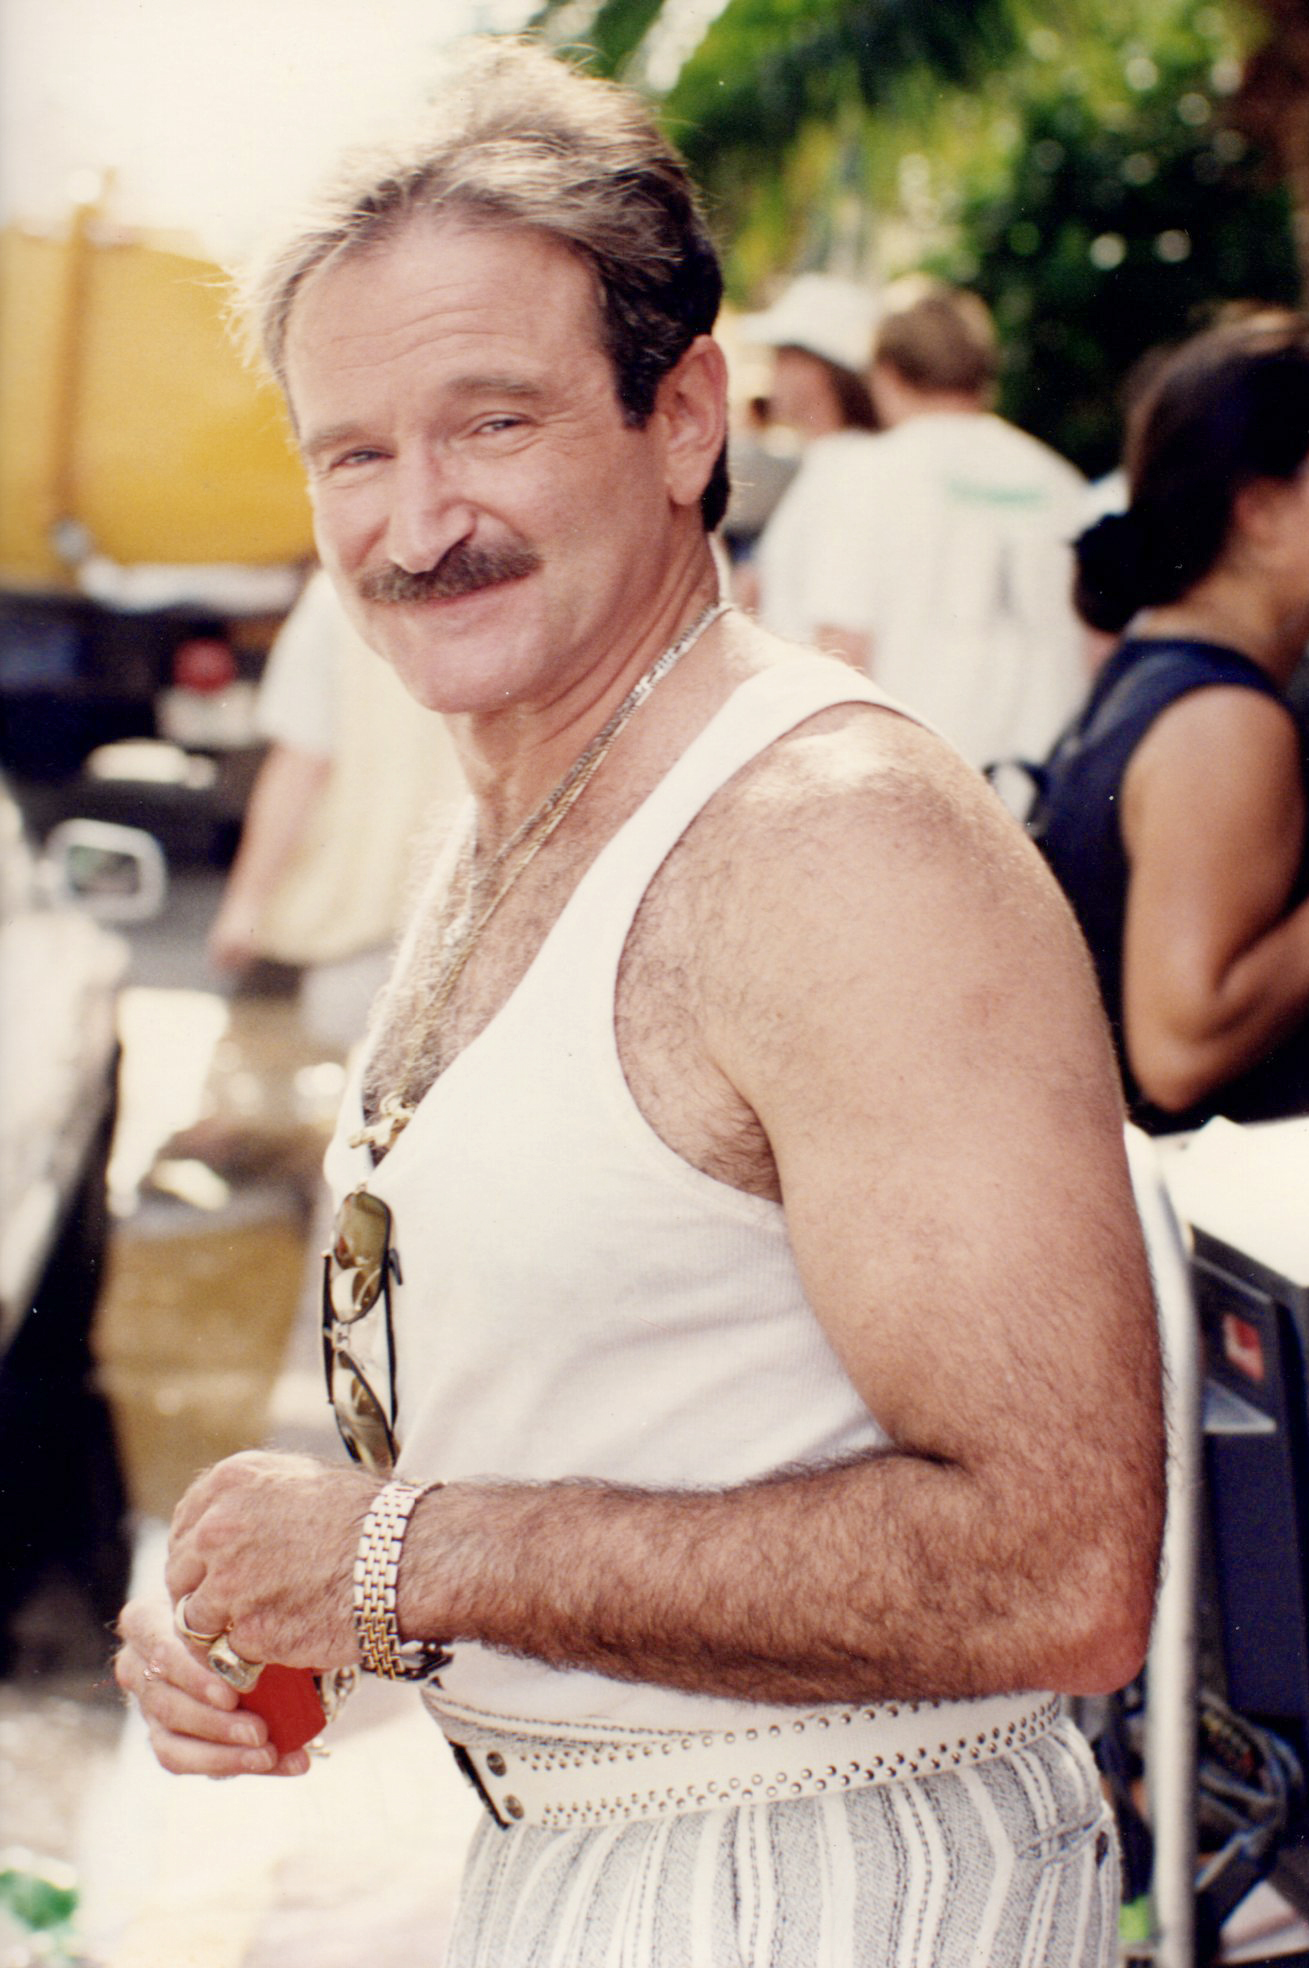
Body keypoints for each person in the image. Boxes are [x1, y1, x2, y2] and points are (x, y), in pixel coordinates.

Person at [115, 40, 1164, 1966]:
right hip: (608, 1865)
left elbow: (1059, 1558)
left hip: (834, 1887)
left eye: (491, 424)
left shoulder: (834, 840)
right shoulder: (531, 784)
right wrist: (293, 1594)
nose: (416, 520)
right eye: (354, 449)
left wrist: (396, 1557)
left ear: (682, 416)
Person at [1038, 312, 1309, 1133]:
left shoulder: (1158, 676)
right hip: (1228, 1245)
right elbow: (1180, 1051)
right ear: (1259, 509)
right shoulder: (1222, 723)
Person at [803, 282, 1091, 771]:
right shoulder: (1060, 483)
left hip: (918, 788)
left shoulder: (864, 475)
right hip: (1045, 792)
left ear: (887, 374)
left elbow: (841, 655)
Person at [208, 567, 460, 1051]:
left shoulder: (338, 598)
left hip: (366, 922)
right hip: (478, 909)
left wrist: (246, 904)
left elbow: (300, 764)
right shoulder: (511, 589)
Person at [735, 272, 882, 640]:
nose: (772, 372)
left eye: (783, 358)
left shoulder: (855, 471)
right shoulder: (828, 463)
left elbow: (839, 631)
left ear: (818, 370)